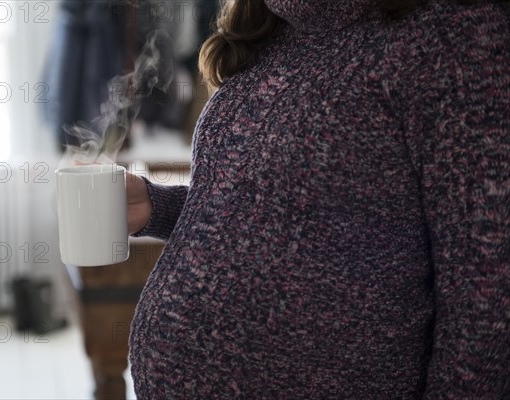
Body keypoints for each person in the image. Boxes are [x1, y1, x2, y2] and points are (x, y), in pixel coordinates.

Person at [123, 0, 510, 398]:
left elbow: (488, 286)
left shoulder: (453, 33)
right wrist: (160, 207)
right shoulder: (276, 30)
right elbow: (293, 216)